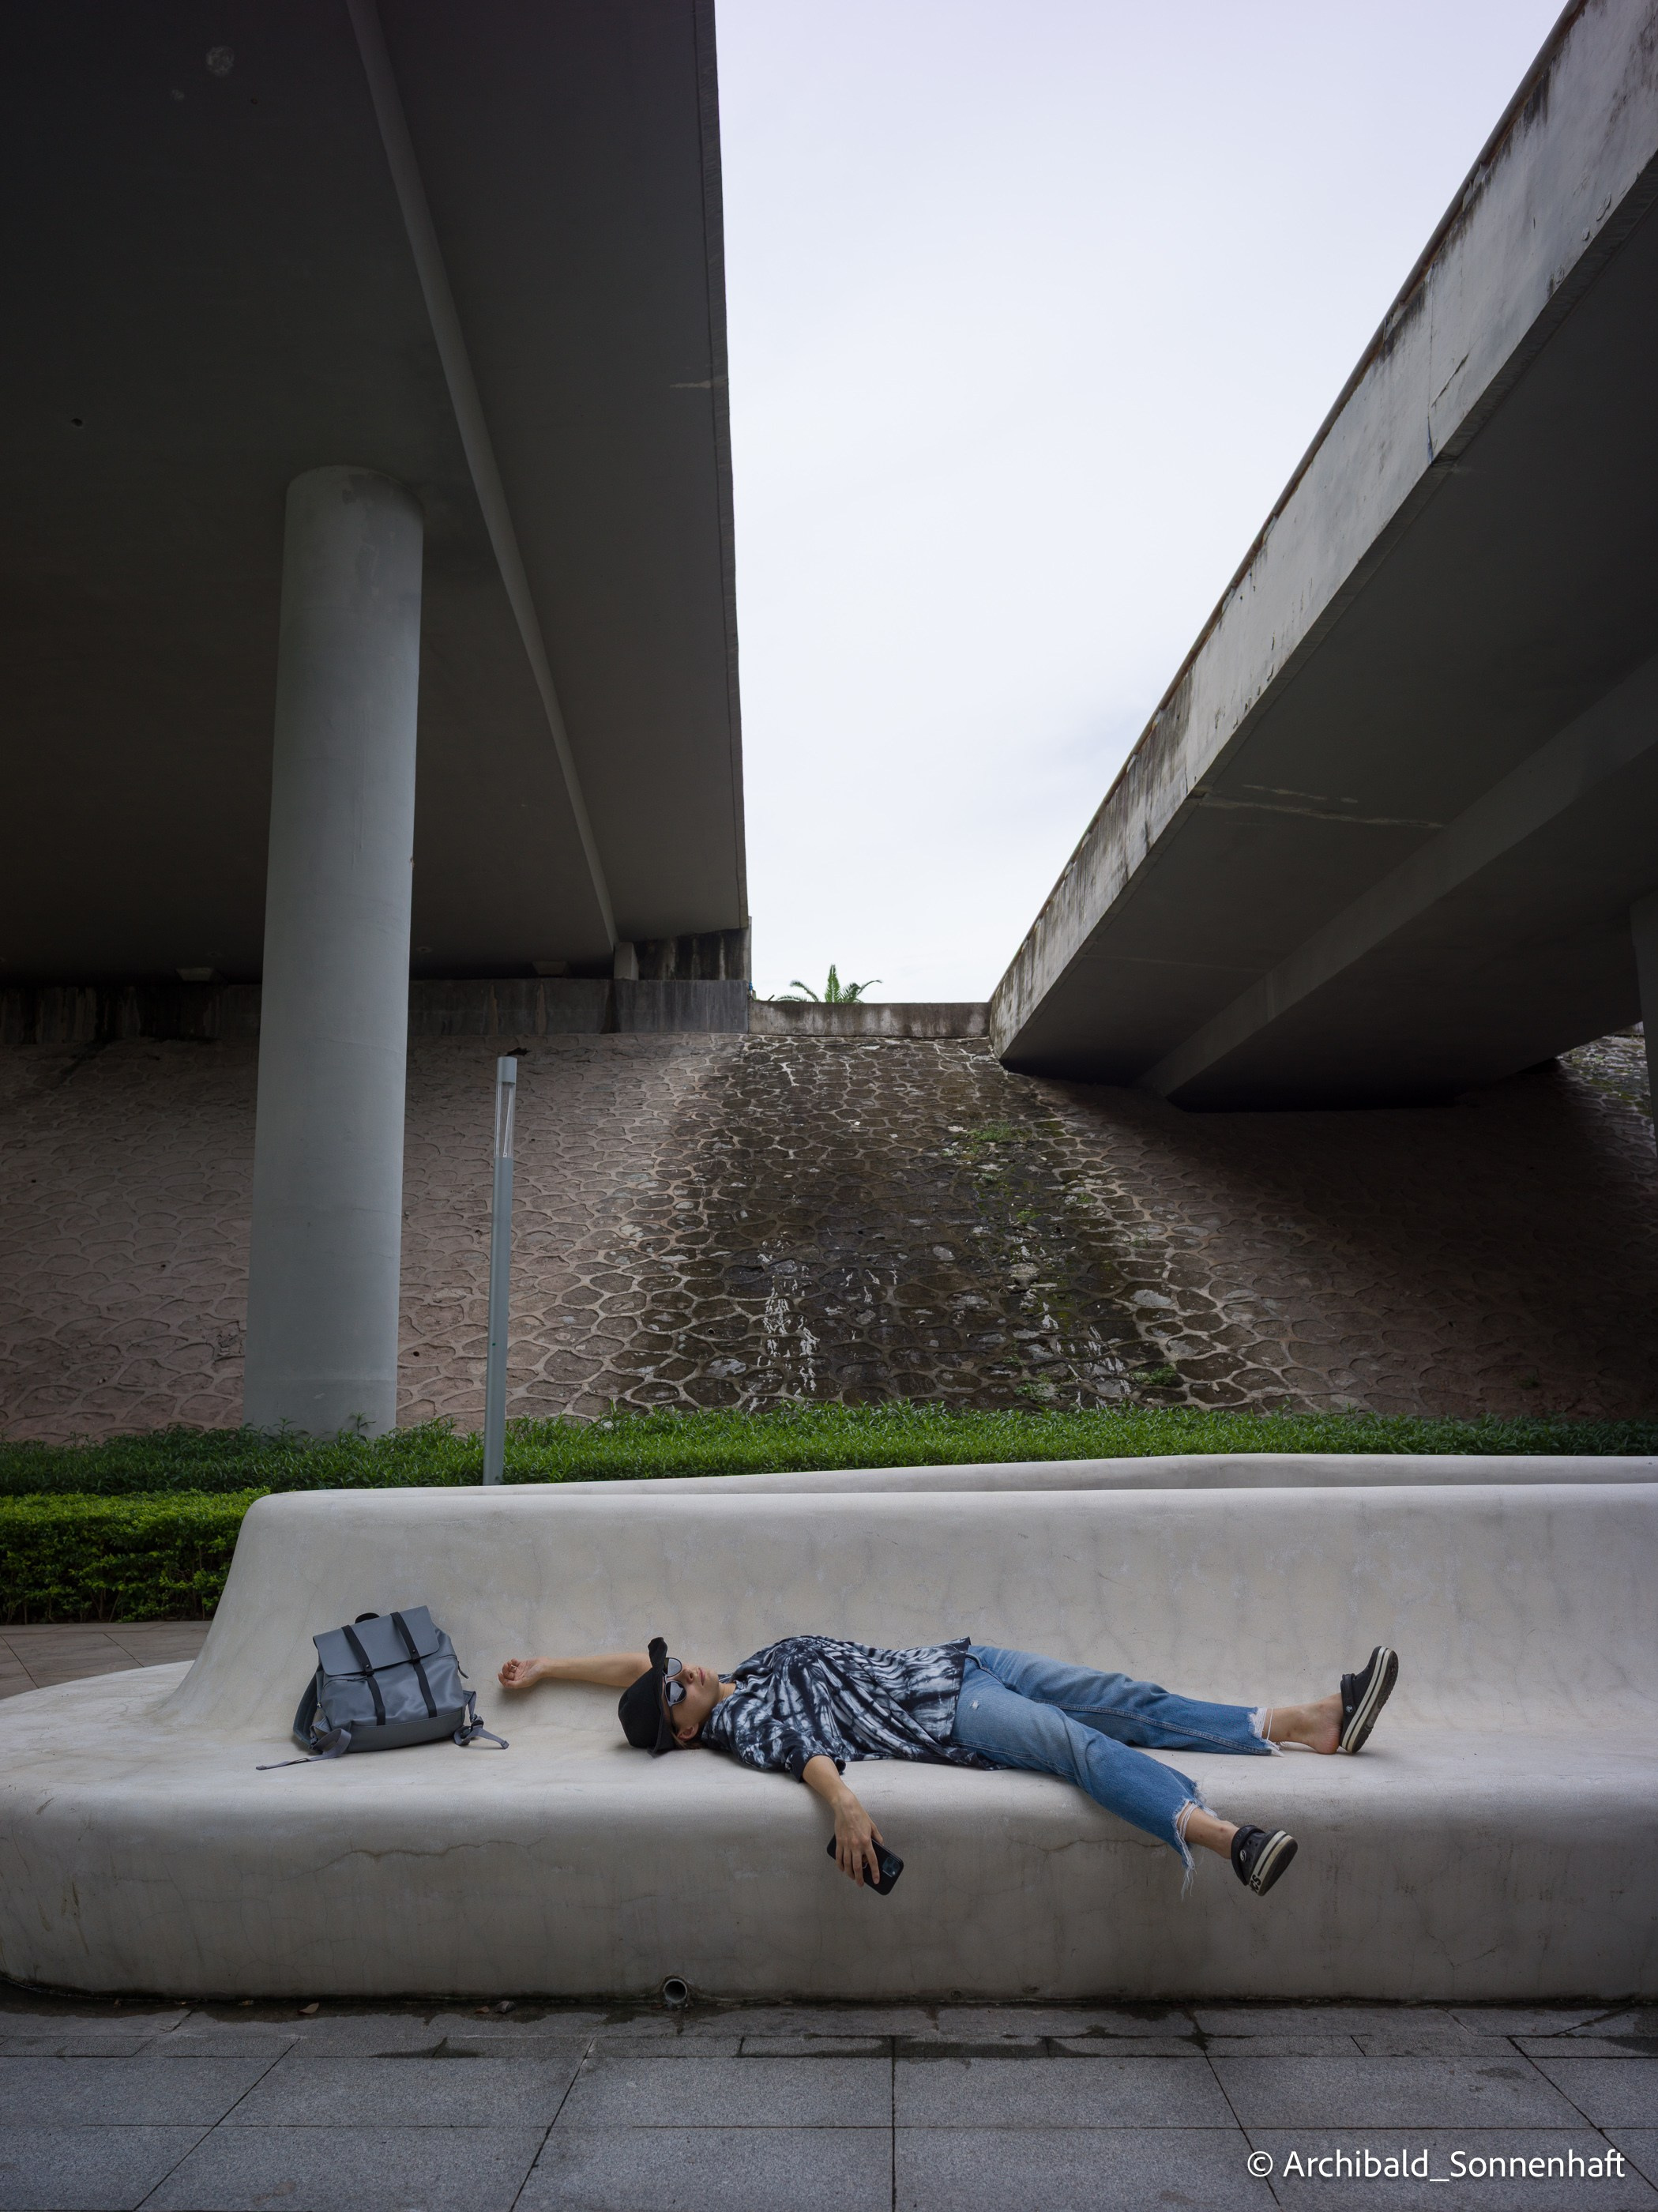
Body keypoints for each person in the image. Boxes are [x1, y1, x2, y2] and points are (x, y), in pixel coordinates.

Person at [498, 1632, 1398, 1898]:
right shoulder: (743, 1723)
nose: (679, 1674)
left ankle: (1305, 1721)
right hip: (949, 1712)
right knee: (1079, 1747)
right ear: (687, 1734)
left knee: (1126, 1697)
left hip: (966, 1660)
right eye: (673, 1692)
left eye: (673, 1669)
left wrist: (547, 1668)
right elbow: (805, 1756)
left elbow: (637, 1667)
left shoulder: (740, 1673)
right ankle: (1225, 1838)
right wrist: (843, 1803)